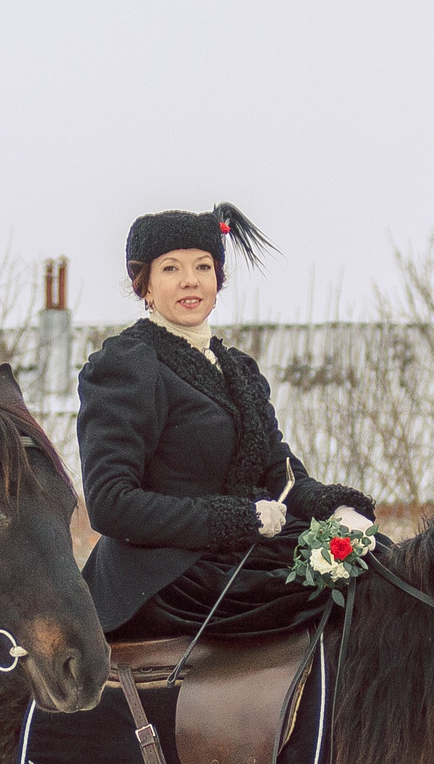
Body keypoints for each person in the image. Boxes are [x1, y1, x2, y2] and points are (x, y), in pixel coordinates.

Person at [77, 204, 375, 641]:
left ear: (218, 278)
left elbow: (281, 476)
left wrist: (337, 510)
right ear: (144, 285)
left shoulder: (238, 368)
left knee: (374, 560)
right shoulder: (128, 363)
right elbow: (110, 503)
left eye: (203, 266)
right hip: (165, 572)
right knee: (316, 594)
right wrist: (238, 519)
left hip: (244, 550)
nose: (190, 280)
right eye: (171, 268)